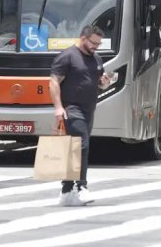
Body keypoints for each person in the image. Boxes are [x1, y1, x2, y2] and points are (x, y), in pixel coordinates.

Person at [50, 25, 112, 207]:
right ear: (83, 38)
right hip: (71, 108)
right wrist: (58, 108)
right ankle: (81, 187)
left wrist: (105, 83)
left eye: (98, 44)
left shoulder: (96, 58)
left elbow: (99, 83)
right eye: (93, 43)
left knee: (73, 149)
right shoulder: (68, 56)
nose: (96, 46)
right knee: (81, 145)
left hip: (89, 109)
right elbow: (53, 82)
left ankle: (66, 190)